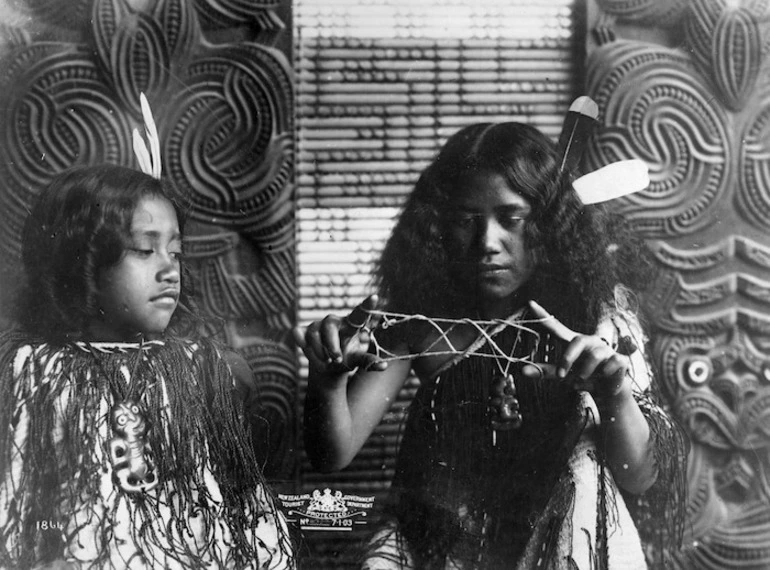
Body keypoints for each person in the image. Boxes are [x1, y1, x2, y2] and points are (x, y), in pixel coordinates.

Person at [296, 122, 688, 569]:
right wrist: (327, 380)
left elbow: (639, 479)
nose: (487, 243)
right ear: (438, 229)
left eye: (512, 219)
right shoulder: (420, 326)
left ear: (547, 226)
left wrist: (613, 391)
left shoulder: (599, 325)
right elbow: (334, 452)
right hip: (448, 548)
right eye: (466, 221)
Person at [0, 165, 294, 569]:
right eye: (144, 249)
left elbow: (234, 503)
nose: (169, 269)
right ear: (81, 259)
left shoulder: (202, 370)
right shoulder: (34, 372)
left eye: (175, 251)